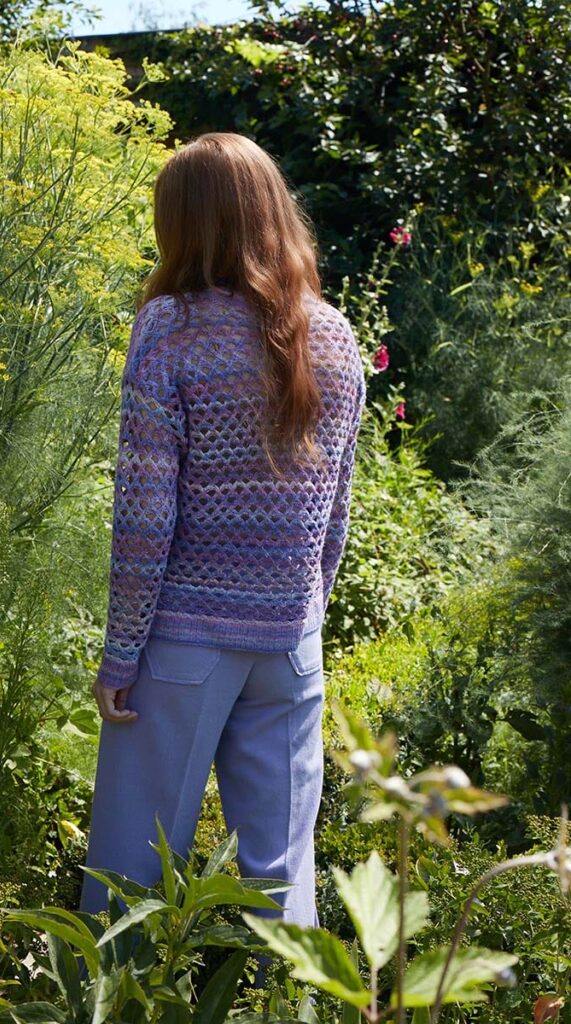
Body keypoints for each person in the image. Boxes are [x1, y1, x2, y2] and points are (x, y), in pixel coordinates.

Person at [79, 132, 367, 933]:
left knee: (133, 869)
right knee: (282, 874)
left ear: (183, 223)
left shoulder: (169, 328)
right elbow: (335, 513)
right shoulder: (334, 334)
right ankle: (289, 996)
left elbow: (146, 515)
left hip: (184, 644)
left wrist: (121, 654)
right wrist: (302, 616)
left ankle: (114, 995)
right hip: (290, 645)